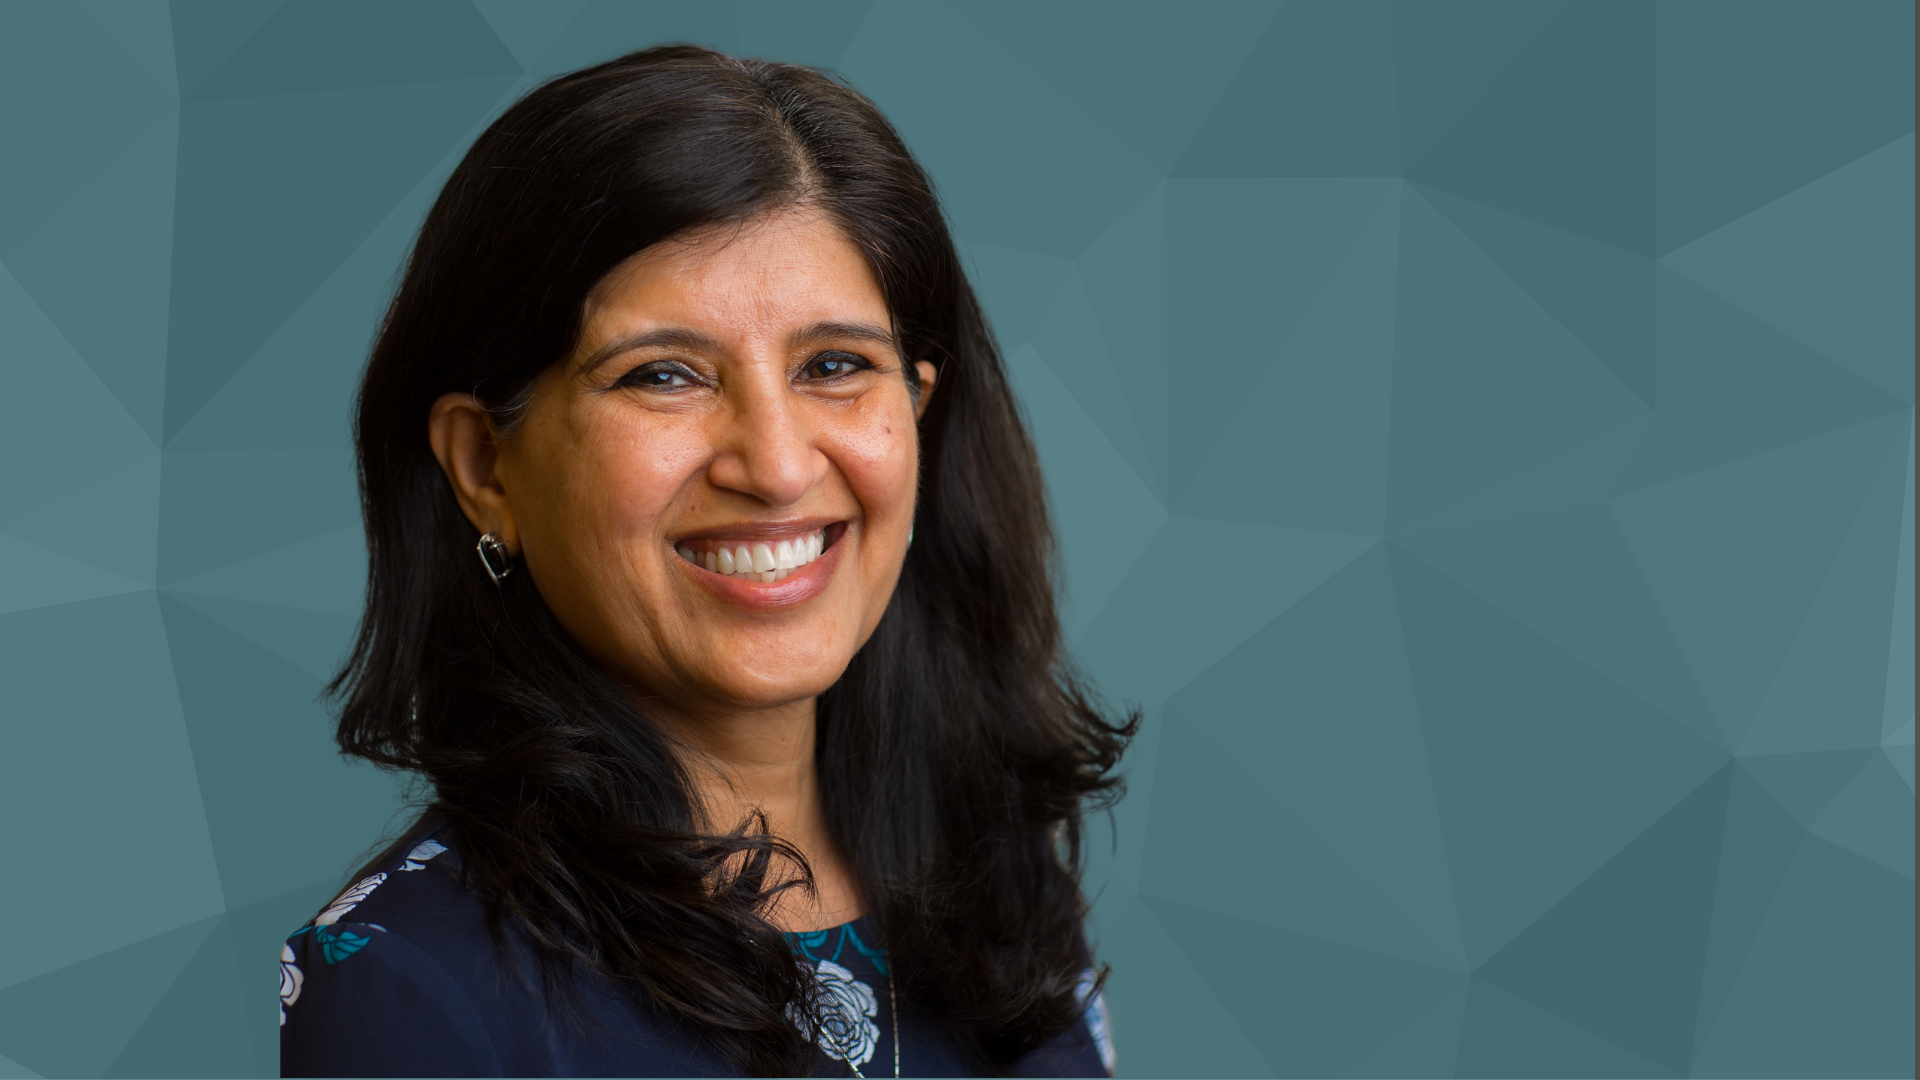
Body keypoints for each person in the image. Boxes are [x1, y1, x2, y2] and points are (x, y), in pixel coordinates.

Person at [279, 44, 1135, 1078]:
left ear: (918, 415)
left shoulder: (1006, 897)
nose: (776, 467)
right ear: (486, 465)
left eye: (835, 365)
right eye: (665, 375)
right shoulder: (411, 985)